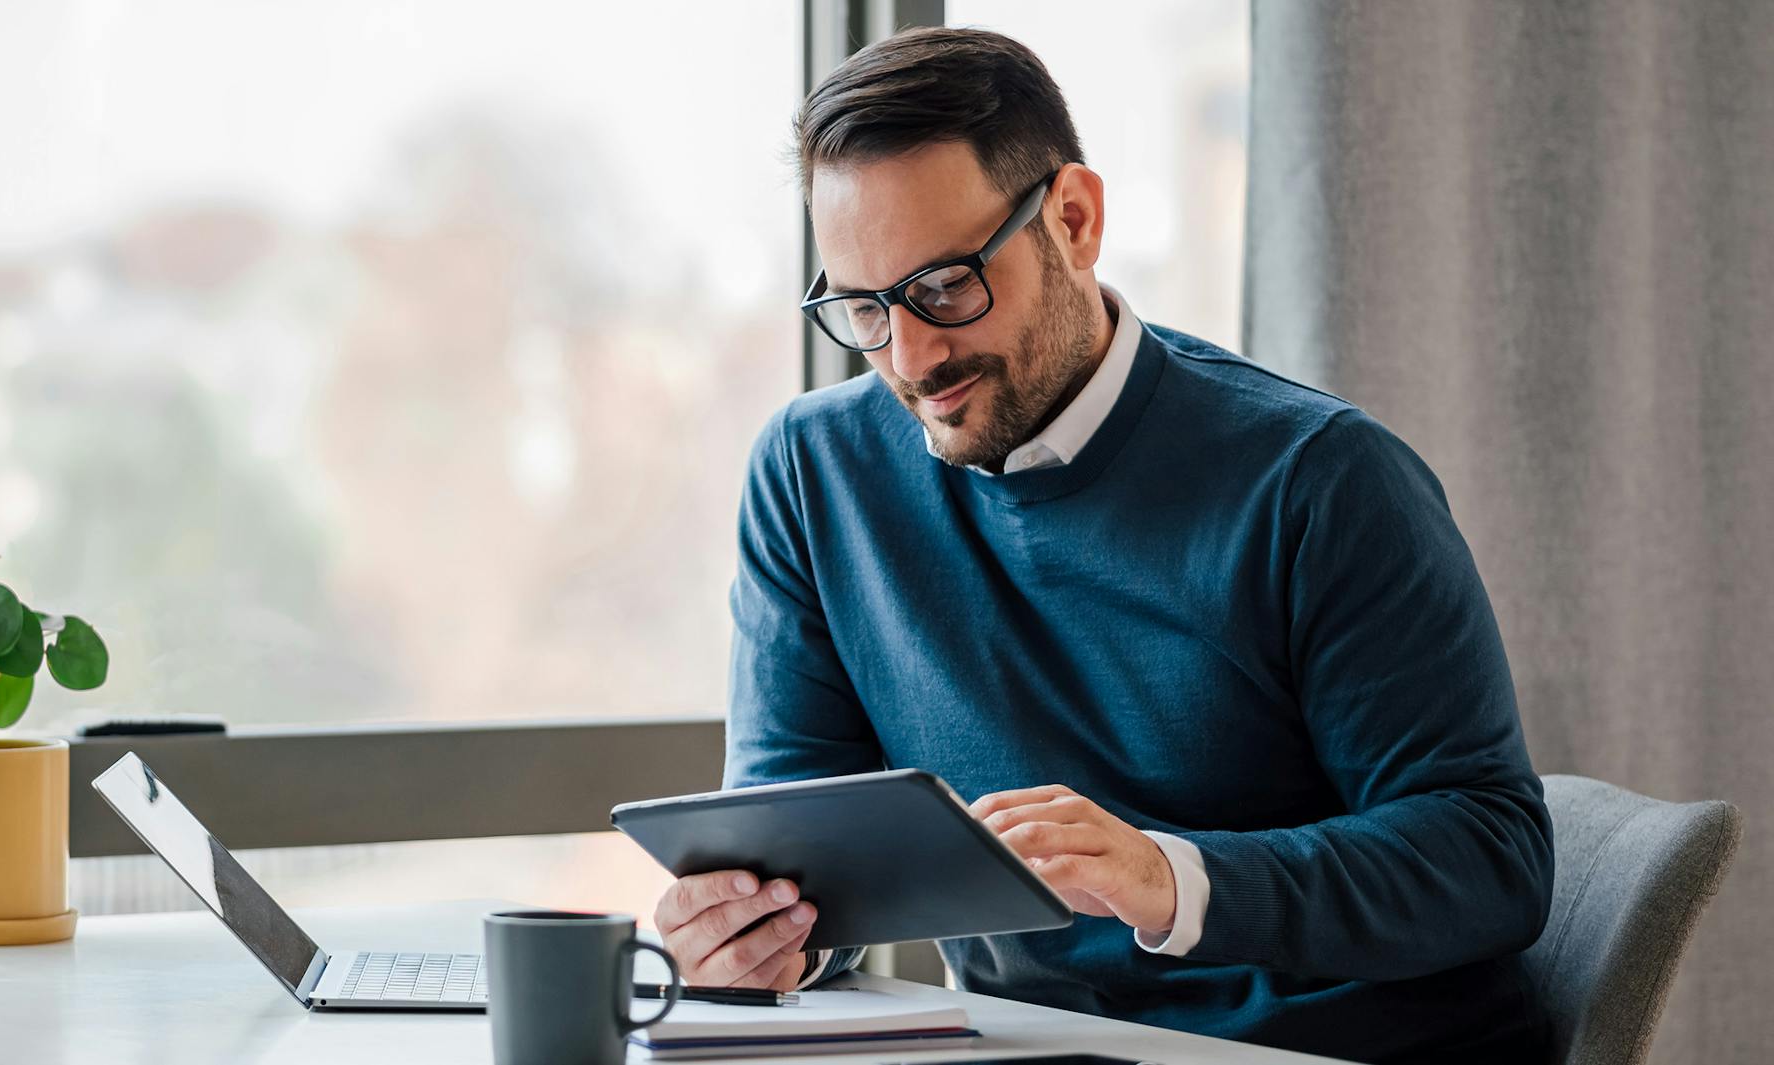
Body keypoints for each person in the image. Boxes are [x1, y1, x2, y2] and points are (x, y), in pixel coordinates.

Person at [651, 26, 1554, 1064]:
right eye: (862, 306)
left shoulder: (1320, 480)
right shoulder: (813, 477)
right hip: (1031, 1047)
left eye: (945, 287)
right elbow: (796, 853)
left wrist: (1169, 878)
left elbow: (1491, 860)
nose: (909, 356)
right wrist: (756, 940)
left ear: (1073, 220)